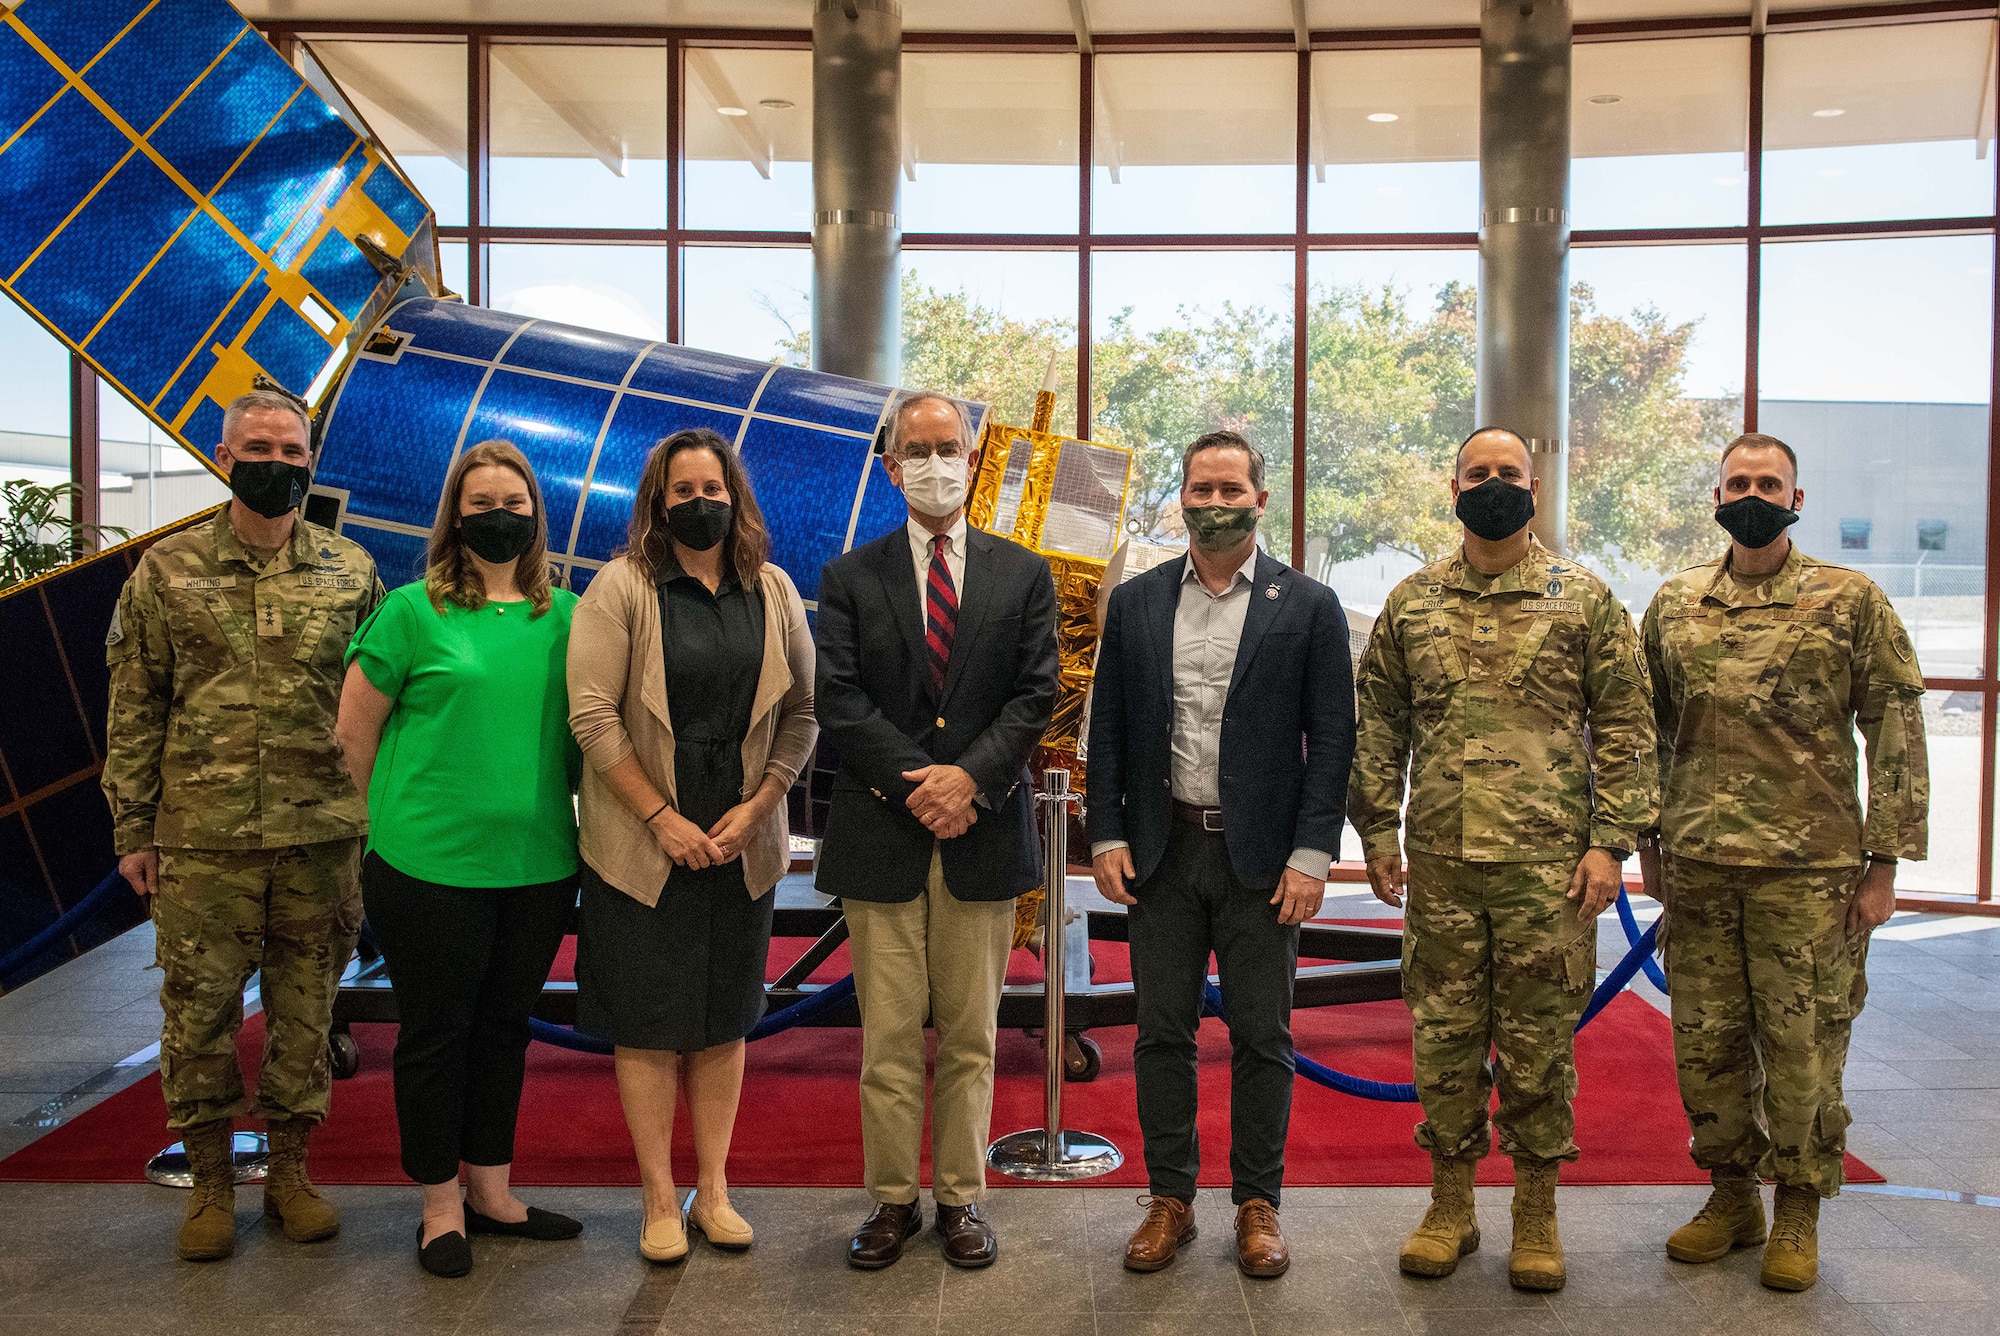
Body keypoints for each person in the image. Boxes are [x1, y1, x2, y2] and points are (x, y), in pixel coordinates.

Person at [1348, 426, 1657, 1293]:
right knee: (1443, 1042)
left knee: (1538, 1046)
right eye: (1478, 473)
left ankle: (1535, 1211)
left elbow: (1630, 731)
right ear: (1453, 488)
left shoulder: (1585, 602)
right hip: (1441, 865)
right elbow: (1378, 728)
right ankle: (1450, 1205)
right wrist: (1375, 831)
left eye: (1508, 473)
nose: (1494, 485)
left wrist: (1610, 844)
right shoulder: (1411, 604)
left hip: (1547, 873)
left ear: (1535, 484)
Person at [1640, 432, 1927, 1293]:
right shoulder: (1676, 602)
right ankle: (1732, 1196)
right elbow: (1637, 729)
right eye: (1739, 482)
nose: (1753, 494)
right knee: (1707, 1047)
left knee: (1804, 1049)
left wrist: (1885, 863)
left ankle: (1799, 1202)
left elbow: (1896, 728)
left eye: (1770, 483)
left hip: (1812, 874)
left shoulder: (1850, 601)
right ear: (1717, 496)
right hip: (1697, 867)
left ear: (1798, 501)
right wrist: (1648, 839)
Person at [102, 389, 384, 1261]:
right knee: (199, 1015)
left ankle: (293, 1177)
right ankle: (214, 1186)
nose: (278, 464)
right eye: (258, 448)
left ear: (310, 461)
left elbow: (382, 709)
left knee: (306, 1014)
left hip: (321, 837)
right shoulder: (166, 570)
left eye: (293, 451)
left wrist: (378, 822)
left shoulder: (352, 572)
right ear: (226, 456)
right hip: (201, 840)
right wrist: (132, 828)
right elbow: (136, 703)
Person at [1087, 430, 1355, 1279]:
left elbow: (1334, 741)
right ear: (1183, 498)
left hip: (1263, 861)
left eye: (1229, 490)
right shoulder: (1135, 603)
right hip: (1162, 851)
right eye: (1199, 489)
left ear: (1260, 500)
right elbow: (1111, 732)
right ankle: (1170, 1199)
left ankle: (1256, 1203)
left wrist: (1314, 854)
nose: (1213, 503)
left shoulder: (1307, 606)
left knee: (1262, 1035)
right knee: (1160, 1033)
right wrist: (1106, 832)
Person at [814, 391, 1058, 1271]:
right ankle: (891, 1201)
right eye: (914, 449)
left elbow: (1037, 693)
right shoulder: (849, 576)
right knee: (885, 1040)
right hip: (884, 831)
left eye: (946, 445)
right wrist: (921, 785)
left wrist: (971, 780)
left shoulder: (1023, 574)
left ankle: (958, 1196)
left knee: (970, 1037)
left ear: (973, 453)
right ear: (889, 467)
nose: (932, 461)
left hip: (983, 833)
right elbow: (836, 697)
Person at [334, 439, 584, 1279]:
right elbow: (352, 737)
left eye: (513, 503)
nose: (499, 516)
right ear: (454, 516)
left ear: (536, 515)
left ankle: (494, 1193)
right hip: (427, 868)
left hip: (540, 865)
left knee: (506, 1033)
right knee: (437, 1036)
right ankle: (440, 1207)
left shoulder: (571, 615)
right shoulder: (410, 611)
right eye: (481, 504)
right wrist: (376, 838)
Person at [567, 428, 817, 1265]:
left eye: (713, 487)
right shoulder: (622, 586)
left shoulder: (773, 589)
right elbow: (593, 716)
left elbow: (804, 714)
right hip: (644, 840)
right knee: (646, 1025)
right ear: (658, 502)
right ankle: (655, 1199)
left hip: (741, 836)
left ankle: (712, 1191)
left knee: (721, 1022)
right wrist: (658, 818)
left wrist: (761, 805)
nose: (699, 502)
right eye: (683, 490)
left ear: (735, 496)